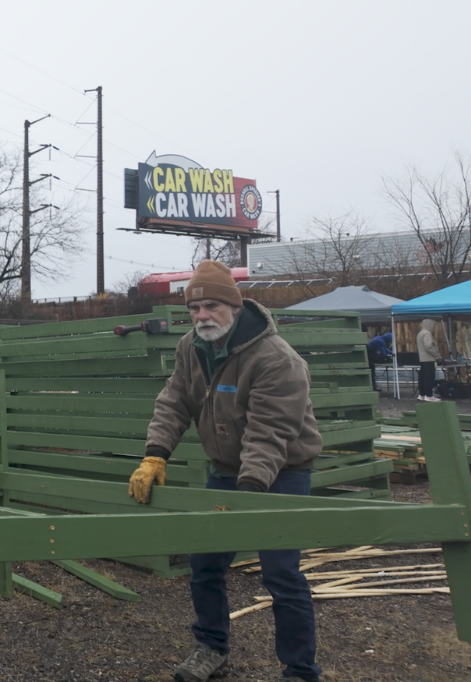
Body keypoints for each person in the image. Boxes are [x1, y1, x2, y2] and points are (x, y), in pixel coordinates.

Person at [127, 259, 323, 682]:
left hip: (283, 471)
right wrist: (155, 453)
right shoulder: (191, 347)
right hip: (226, 470)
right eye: (194, 309)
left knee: (281, 574)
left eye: (212, 306)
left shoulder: (276, 359)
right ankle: (211, 648)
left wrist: (242, 498)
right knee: (206, 564)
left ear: (235, 307)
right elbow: (175, 399)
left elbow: (269, 433)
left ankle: (300, 670)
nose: (201, 317)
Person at [416, 318, 442, 402]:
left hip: (422, 359)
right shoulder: (427, 333)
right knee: (429, 378)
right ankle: (429, 395)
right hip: (429, 359)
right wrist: (437, 355)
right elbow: (429, 346)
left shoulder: (420, 333)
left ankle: (422, 394)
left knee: (422, 377)